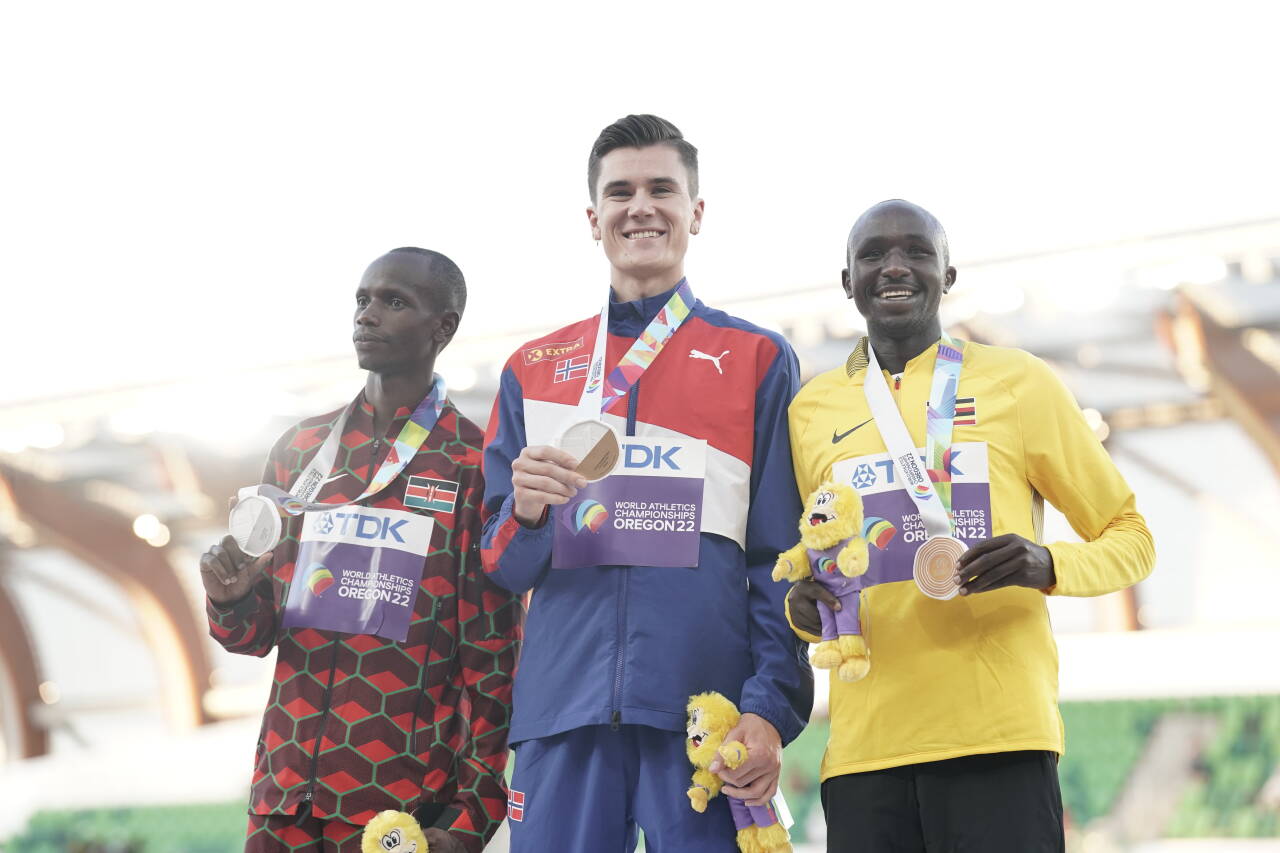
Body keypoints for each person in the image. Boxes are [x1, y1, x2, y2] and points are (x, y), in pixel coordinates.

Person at [480, 114, 812, 851]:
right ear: (592, 218)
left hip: (702, 719)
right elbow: (501, 562)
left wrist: (768, 707)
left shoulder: (757, 358)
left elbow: (781, 557)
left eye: (662, 188)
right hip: (562, 714)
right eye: (620, 191)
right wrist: (528, 514)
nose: (641, 207)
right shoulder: (532, 369)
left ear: (696, 211)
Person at [785, 199, 1156, 851]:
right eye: (873, 254)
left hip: (1000, 741)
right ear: (847, 281)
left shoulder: (1020, 383)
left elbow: (1132, 536)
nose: (895, 266)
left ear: (948, 276)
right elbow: (811, 560)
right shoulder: (812, 409)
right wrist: (802, 606)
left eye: (917, 251)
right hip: (864, 754)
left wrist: (1050, 564)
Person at [199, 248, 521, 853]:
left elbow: (493, 656)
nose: (367, 316)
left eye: (394, 302)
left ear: (442, 328)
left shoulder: (473, 465)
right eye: (363, 299)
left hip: (401, 812)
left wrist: (470, 820)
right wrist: (231, 600)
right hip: (283, 798)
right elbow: (255, 636)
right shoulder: (300, 452)